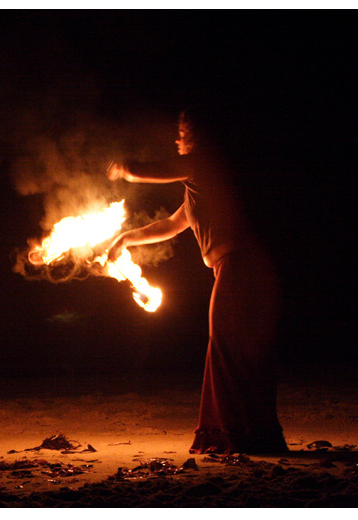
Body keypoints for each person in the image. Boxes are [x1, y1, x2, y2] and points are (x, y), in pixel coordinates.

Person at [105, 110, 287, 454]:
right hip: (233, 268)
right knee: (230, 348)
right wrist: (125, 239)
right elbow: (171, 225)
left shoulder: (203, 163)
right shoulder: (197, 188)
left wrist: (125, 168)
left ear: (200, 136)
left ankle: (242, 434)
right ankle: (245, 432)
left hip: (242, 267)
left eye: (183, 132)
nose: (177, 139)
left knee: (228, 346)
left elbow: (153, 171)